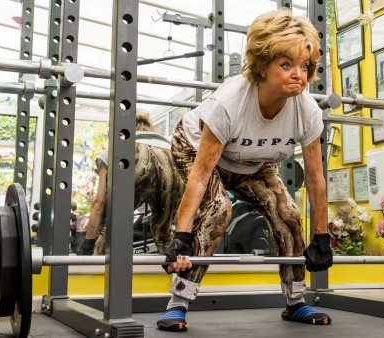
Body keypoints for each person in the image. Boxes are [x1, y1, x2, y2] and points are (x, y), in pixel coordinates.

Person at [156, 9, 333, 332]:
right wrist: (181, 235)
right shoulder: (230, 103)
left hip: (253, 162)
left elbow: (315, 178)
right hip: (196, 148)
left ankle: (295, 300)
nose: (299, 75)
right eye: (286, 65)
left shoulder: (307, 111)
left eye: (305, 66)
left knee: (288, 213)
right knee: (218, 209)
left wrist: (322, 237)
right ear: (262, 66)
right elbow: (199, 175)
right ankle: (179, 302)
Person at [78, 110, 184, 256]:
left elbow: (100, 201)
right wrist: (183, 239)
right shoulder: (170, 148)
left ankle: (98, 266)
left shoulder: (119, 150)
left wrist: (88, 243)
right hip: (171, 164)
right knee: (163, 232)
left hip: (136, 164)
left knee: (109, 228)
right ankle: (176, 265)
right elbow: (181, 208)